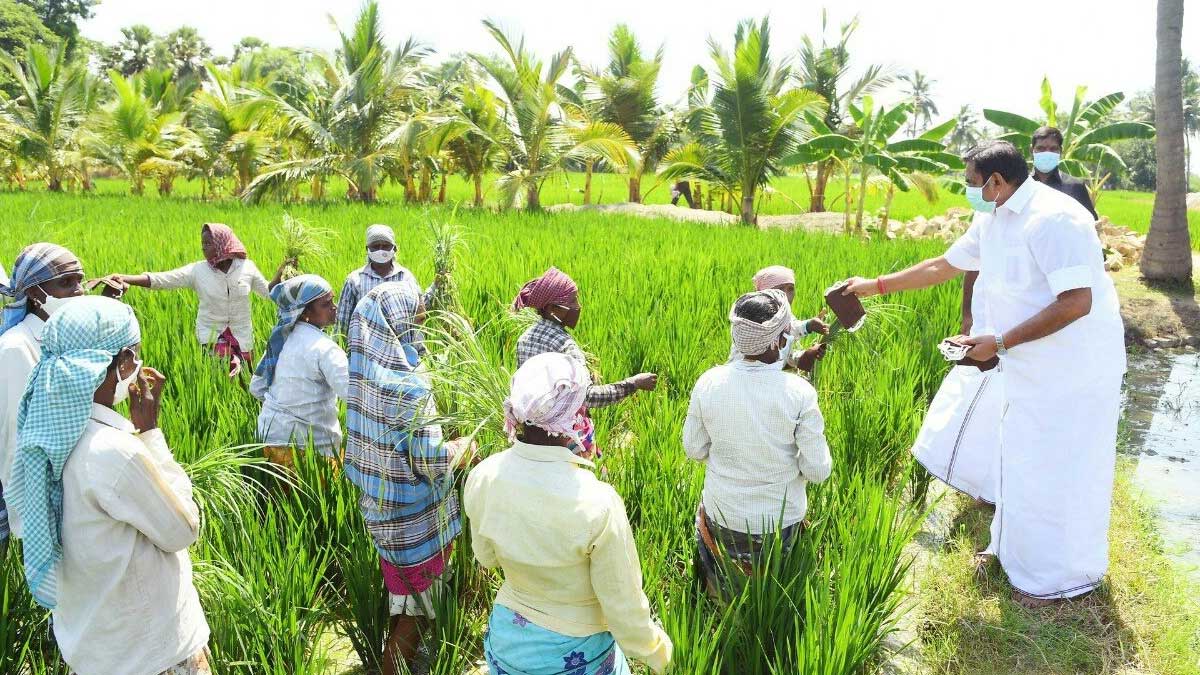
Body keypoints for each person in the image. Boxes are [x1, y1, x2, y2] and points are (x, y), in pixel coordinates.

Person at [842, 140, 1125, 608]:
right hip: (1025, 362)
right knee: (1018, 458)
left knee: (1057, 468)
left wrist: (1001, 341)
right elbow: (946, 264)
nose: (968, 191)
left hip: (1072, 370)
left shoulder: (1056, 219)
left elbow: (1077, 302)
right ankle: (1012, 553)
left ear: (996, 181)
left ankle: (1059, 578)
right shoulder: (993, 215)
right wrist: (872, 286)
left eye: (972, 183)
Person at [10, 296, 209, 675]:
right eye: (134, 357)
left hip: (95, 648)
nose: (137, 367)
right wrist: (151, 432)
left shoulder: (47, 437)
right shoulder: (112, 452)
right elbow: (183, 528)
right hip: (151, 654)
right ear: (119, 364)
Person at [464, 352, 673, 675]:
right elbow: (623, 606)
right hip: (576, 653)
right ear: (574, 416)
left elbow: (487, 557)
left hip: (507, 644)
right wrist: (660, 653)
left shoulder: (484, 476)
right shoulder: (598, 503)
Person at [344, 282, 467, 675]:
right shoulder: (410, 387)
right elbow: (431, 462)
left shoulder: (362, 377)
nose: (421, 324)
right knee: (414, 617)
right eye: (415, 318)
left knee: (405, 606)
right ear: (396, 323)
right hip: (418, 526)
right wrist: (465, 446)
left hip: (382, 516)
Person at [683, 290, 833, 598]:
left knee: (725, 592)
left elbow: (694, 449)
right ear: (779, 341)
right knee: (773, 594)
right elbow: (818, 471)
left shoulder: (709, 382)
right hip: (779, 521)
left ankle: (719, 606)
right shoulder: (798, 392)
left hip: (724, 513)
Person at [513, 267, 657, 456]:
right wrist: (633, 383)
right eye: (572, 301)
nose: (577, 306)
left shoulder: (524, 339)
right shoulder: (565, 347)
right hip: (565, 438)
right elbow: (588, 397)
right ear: (552, 308)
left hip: (531, 434)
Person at [113, 223, 288, 376]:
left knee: (246, 382)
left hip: (242, 337)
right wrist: (125, 278)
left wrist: (282, 271)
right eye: (202, 243)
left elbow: (269, 292)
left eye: (208, 243)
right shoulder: (198, 271)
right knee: (219, 379)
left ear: (222, 244)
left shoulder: (246, 267)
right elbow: (163, 280)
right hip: (212, 337)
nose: (203, 248)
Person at [1, 244, 88, 547]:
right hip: (22, 492)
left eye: (81, 280)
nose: (79, 291)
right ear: (36, 294)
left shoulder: (63, 339)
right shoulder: (17, 348)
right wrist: (32, 524)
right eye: (66, 283)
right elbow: (16, 439)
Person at [250, 274, 348, 467]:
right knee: (317, 497)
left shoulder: (280, 340)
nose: (334, 308)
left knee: (277, 498)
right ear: (304, 312)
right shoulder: (325, 348)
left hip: (270, 442)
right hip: (310, 451)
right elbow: (353, 395)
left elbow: (257, 388)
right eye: (326, 304)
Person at [335, 224, 439, 339]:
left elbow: (419, 309)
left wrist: (436, 286)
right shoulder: (355, 280)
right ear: (367, 249)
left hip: (402, 346)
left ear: (394, 249)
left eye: (385, 246)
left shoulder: (405, 278)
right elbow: (342, 321)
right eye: (375, 246)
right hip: (367, 349)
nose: (381, 250)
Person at [731, 265, 829, 372]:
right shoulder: (755, 317)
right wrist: (808, 326)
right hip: (743, 371)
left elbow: (781, 353)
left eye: (790, 289)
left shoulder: (786, 316)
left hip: (767, 372)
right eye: (779, 289)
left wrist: (803, 357)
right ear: (764, 293)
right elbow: (786, 330)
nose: (786, 295)